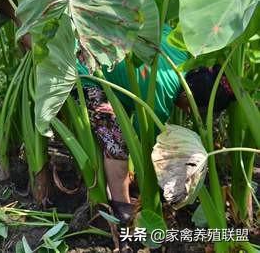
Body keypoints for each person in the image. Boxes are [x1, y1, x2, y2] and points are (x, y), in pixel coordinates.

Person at [74, 25, 235, 223]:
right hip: (84, 71)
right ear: (189, 97)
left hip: (92, 38)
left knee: (119, 120)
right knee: (118, 143)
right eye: (191, 108)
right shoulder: (160, 99)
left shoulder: (181, 49)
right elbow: (141, 145)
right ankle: (121, 207)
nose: (186, 111)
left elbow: (155, 26)